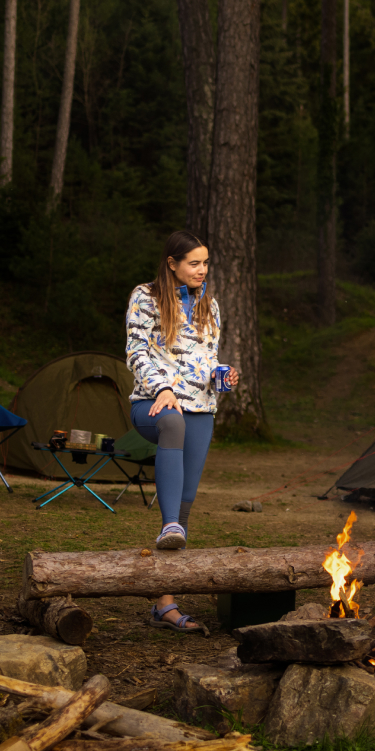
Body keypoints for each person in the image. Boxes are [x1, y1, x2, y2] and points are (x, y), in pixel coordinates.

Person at [125, 229, 238, 635]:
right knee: (171, 422)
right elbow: (136, 351)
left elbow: (206, 357)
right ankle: (169, 521)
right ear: (172, 264)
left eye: (205, 262)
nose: (201, 269)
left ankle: (165, 604)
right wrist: (164, 388)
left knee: (186, 507)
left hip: (201, 410)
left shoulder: (209, 303)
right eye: (194, 262)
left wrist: (221, 374)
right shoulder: (145, 296)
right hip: (153, 403)